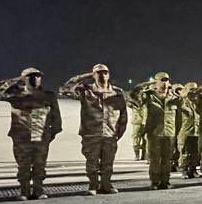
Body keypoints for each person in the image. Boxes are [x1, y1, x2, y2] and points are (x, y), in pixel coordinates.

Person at [0, 67, 63, 199]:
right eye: (31, 76)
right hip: (21, 135)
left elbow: (56, 116)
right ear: (24, 79)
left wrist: (52, 134)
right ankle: (24, 191)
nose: (35, 79)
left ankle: (38, 191)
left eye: (38, 76)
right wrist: (15, 80)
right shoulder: (16, 94)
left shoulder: (47, 95)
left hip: (40, 134)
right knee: (23, 165)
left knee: (40, 165)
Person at [60, 64, 129, 195]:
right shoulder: (86, 91)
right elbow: (64, 90)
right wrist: (83, 76)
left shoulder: (117, 93)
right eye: (98, 73)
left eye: (105, 73)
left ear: (108, 75)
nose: (102, 75)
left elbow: (123, 114)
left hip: (110, 133)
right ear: (93, 75)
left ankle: (106, 185)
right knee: (92, 162)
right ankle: (93, 185)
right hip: (91, 134)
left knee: (108, 162)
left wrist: (119, 133)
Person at [139, 72, 182, 189]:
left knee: (167, 159)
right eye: (162, 80)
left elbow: (179, 118)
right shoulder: (149, 96)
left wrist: (177, 132)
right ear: (156, 82)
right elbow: (134, 96)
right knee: (155, 159)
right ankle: (154, 181)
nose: (165, 83)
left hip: (169, 133)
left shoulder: (174, 98)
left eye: (166, 80)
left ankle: (165, 181)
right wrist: (146, 85)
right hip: (154, 132)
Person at [177, 82, 201, 179]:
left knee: (196, 153)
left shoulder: (198, 102)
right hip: (186, 131)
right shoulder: (182, 101)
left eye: (195, 89)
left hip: (196, 131)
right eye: (191, 89)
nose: (193, 92)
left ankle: (193, 169)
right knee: (185, 152)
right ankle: (184, 170)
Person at [126, 83, 147, 161]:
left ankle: (144, 155)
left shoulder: (147, 101)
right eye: (139, 93)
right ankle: (137, 154)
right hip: (136, 122)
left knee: (146, 139)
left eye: (142, 93)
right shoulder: (133, 102)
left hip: (146, 122)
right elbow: (129, 101)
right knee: (136, 139)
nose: (141, 95)